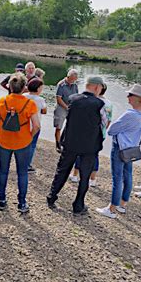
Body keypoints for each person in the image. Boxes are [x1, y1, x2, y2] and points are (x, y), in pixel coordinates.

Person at [46, 76, 105, 215]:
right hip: (90, 145)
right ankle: (78, 205)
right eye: (101, 87)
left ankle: (51, 196)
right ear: (97, 87)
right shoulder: (100, 104)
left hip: (71, 141)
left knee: (62, 170)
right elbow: (104, 124)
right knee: (84, 176)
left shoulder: (73, 98)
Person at [96, 84, 141, 219]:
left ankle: (112, 208)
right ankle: (122, 204)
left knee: (117, 178)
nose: (128, 97)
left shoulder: (129, 114)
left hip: (120, 148)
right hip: (131, 149)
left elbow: (112, 130)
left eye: (130, 95)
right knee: (128, 175)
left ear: (138, 98)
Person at [0, 73, 40, 213]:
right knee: (22, 173)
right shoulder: (30, 103)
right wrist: (30, 137)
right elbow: (37, 125)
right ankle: (21, 203)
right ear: (24, 87)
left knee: (3, 171)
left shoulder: (2, 101)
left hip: (4, 141)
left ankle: (2, 201)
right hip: (22, 142)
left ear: (10, 87)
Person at [69, 82, 113, 186]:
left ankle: (75, 175)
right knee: (95, 155)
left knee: (80, 153)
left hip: (86, 133)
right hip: (100, 133)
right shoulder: (109, 104)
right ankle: (92, 179)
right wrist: (102, 130)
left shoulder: (92, 101)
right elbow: (108, 121)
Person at [23, 77, 47, 173]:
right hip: (35, 125)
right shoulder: (40, 99)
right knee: (32, 145)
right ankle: (27, 165)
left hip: (24, 124)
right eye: (41, 88)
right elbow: (44, 111)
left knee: (23, 144)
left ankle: (21, 162)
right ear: (38, 89)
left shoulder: (24, 96)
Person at [53, 69, 79, 152]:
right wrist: (66, 107)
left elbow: (76, 96)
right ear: (68, 77)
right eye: (72, 79)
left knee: (70, 126)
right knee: (58, 126)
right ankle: (57, 144)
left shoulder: (75, 85)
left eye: (75, 79)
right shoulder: (61, 85)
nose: (73, 81)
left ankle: (64, 142)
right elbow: (58, 99)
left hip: (71, 107)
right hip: (61, 106)